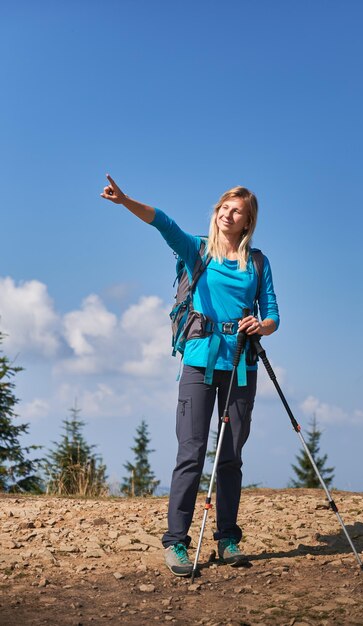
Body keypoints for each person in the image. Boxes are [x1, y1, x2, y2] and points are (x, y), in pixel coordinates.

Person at [101, 174, 279, 576]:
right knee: (191, 453)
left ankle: (228, 538)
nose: (227, 215)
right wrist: (126, 201)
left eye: (237, 211)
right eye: (224, 208)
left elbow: (273, 313)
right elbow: (163, 222)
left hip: (241, 365)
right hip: (200, 361)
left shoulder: (257, 262)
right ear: (216, 212)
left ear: (248, 221)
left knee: (231, 456)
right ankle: (176, 542)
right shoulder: (197, 250)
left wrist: (261, 325)